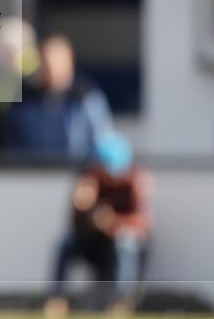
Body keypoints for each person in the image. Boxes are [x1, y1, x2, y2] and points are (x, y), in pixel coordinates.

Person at [44, 132, 152, 316]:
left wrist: (113, 222)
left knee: (125, 242)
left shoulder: (134, 181)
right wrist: (85, 210)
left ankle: (120, 301)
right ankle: (57, 298)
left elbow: (143, 223)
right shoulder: (90, 180)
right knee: (65, 244)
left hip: (119, 245)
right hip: (94, 241)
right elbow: (74, 222)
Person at [1, 34, 113, 163]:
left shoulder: (86, 99)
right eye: (46, 63)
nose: (51, 71)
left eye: (57, 63)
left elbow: (104, 143)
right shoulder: (24, 102)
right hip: (31, 172)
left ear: (70, 63)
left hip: (75, 172)